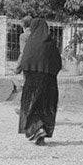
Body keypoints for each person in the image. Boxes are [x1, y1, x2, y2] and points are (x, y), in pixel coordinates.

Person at [15, 17, 62, 145]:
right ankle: (42, 133)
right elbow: (58, 63)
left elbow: (25, 60)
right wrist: (49, 72)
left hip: (32, 82)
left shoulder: (31, 42)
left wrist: (24, 71)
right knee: (45, 107)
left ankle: (38, 129)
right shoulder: (51, 43)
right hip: (49, 82)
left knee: (31, 106)